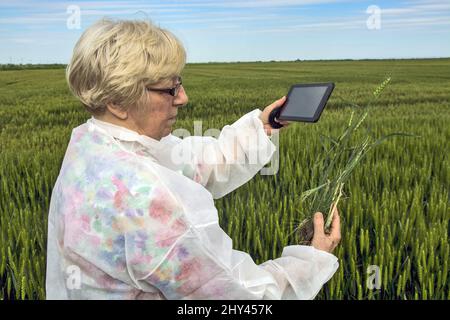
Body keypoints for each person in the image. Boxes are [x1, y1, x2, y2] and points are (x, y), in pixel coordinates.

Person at [46, 18, 341, 300]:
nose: (183, 97)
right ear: (118, 101)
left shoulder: (90, 145)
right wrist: (313, 261)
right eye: (170, 89)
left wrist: (262, 127)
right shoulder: (148, 201)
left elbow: (191, 161)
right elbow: (241, 297)